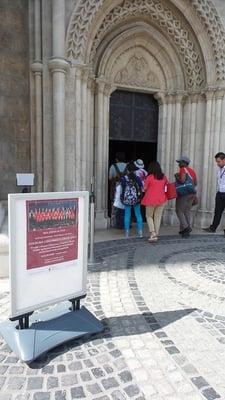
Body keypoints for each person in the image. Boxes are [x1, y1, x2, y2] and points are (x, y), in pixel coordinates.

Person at [141, 161, 168, 242]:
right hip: (161, 199)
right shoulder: (164, 177)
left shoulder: (149, 177)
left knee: (149, 216)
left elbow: (144, 189)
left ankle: (153, 233)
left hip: (150, 200)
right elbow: (166, 187)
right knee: (157, 217)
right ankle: (155, 234)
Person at [203, 152, 225, 235]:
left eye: (219, 161)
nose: (217, 163)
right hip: (220, 193)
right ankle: (213, 228)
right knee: (217, 211)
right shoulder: (220, 169)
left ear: (224, 160)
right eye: (216, 162)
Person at [175, 156, 197, 238]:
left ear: (184, 163)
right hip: (192, 193)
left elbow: (182, 180)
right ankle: (184, 230)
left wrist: (177, 177)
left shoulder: (183, 169)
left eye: (180, 162)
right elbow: (195, 183)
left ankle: (186, 228)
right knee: (187, 211)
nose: (178, 164)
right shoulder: (192, 171)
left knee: (179, 211)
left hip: (184, 194)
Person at [120, 162, 143, 238]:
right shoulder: (137, 178)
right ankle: (140, 232)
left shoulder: (124, 178)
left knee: (127, 215)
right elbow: (141, 187)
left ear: (127, 170)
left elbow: (122, 188)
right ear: (135, 170)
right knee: (138, 214)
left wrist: (122, 197)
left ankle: (127, 233)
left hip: (127, 199)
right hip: (136, 199)